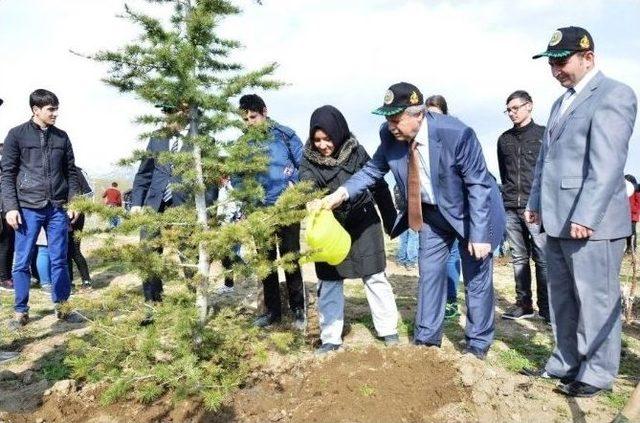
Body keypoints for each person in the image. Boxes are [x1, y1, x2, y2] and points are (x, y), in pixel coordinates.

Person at [322, 82, 506, 360]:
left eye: (396, 119)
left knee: (476, 277)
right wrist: (342, 192)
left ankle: (477, 344)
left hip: (471, 213)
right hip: (431, 215)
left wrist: (479, 235)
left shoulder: (456, 133)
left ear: (418, 115)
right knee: (430, 273)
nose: (391, 125)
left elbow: (478, 185)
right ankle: (427, 340)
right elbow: (373, 170)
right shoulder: (389, 135)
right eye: (387, 119)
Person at [525, 26, 637, 397]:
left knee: (595, 300)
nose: (556, 69)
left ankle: (598, 371)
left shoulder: (614, 95)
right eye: (552, 63)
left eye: (562, 61)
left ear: (588, 57)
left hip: (592, 224)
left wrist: (586, 215)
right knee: (562, 298)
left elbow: (607, 165)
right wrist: (536, 203)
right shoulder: (561, 103)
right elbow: (547, 160)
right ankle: (565, 361)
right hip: (557, 220)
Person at [301, 105, 399, 354]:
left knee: (375, 276)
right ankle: (331, 338)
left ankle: (389, 331)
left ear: (339, 132)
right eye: (317, 140)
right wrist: (310, 199)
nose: (323, 145)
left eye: (327, 139)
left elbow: (378, 185)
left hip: (363, 221)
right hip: (330, 229)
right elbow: (306, 184)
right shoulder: (308, 160)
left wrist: (390, 220)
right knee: (330, 281)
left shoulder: (356, 152)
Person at [1, 89, 84, 329]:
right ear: (36, 110)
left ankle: (63, 308)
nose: (56, 113)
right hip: (27, 208)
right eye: (51, 109)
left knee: (59, 259)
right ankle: (20, 311)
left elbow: (71, 173)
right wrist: (10, 207)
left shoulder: (62, 137)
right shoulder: (16, 135)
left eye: (56, 108)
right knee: (21, 261)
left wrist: (74, 201)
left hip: (57, 208)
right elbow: (8, 174)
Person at [131, 104, 216, 325]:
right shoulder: (158, 138)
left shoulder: (202, 138)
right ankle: (152, 305)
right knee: (148, 252)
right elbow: (144, 172)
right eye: (165, 112)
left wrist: (207, 209)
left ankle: (196, 303)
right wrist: (136, 203)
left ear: (186, 111)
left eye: (172, 111)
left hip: (186, 206)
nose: (167, 117)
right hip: (154, 204)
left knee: (188, 254)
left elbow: (212, 179)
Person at [238, 94, 306, 329]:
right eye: (245, 119)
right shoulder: (243, 144)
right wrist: (247, 195)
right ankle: (272, 312)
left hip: (287, 208)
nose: (249, 122)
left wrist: (294, 185)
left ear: (264, 111)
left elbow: (303, 165)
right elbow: (237, 176)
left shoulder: (285, 135)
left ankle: (298, 309)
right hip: (260, 212)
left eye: (253, 117)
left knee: (290, 257)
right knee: (265, 262)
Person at [496, 90, 549, 323]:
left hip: (536, 207)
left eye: (515, 108)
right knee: (518, 257)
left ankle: (547, 308)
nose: (511, 113)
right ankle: (523, 304)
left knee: (543, 257)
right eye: (508, 110)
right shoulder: (504, 139)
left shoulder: (544, 135)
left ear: (529, 106)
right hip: (510, 205)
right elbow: (503, 172)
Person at [426, 94, 461, 320]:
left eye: (436, 115)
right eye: (428, 115)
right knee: (431, 257)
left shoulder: (456, 136)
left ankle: (450, 300)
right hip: (431, 210)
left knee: (451, 256)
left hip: (455, 207)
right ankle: (434, 300)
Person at [216, 175, 243, 294]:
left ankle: (229, 284)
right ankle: (228, 284)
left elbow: (234, 205)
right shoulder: (220, 186)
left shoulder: (232, 184)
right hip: (222, 220)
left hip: (229, 222)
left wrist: (228, 220)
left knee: (230, 253)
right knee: (225, 253)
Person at [393, 185, 418, 269]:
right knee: (413, 239)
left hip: (401, 214)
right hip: (412, 213)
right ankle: (410, 262)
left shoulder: (397, 185)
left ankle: (401, 260)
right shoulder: (412, 183)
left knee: (403, 239)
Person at [625, 174, 639, 253]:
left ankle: (633, 248)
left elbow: (638, 203)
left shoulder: (636, 190)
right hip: (626, 214)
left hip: (633, 215)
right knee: (627, 232)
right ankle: (628, 247)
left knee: (632, 232)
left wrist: (632, 210)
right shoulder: (625, 190)